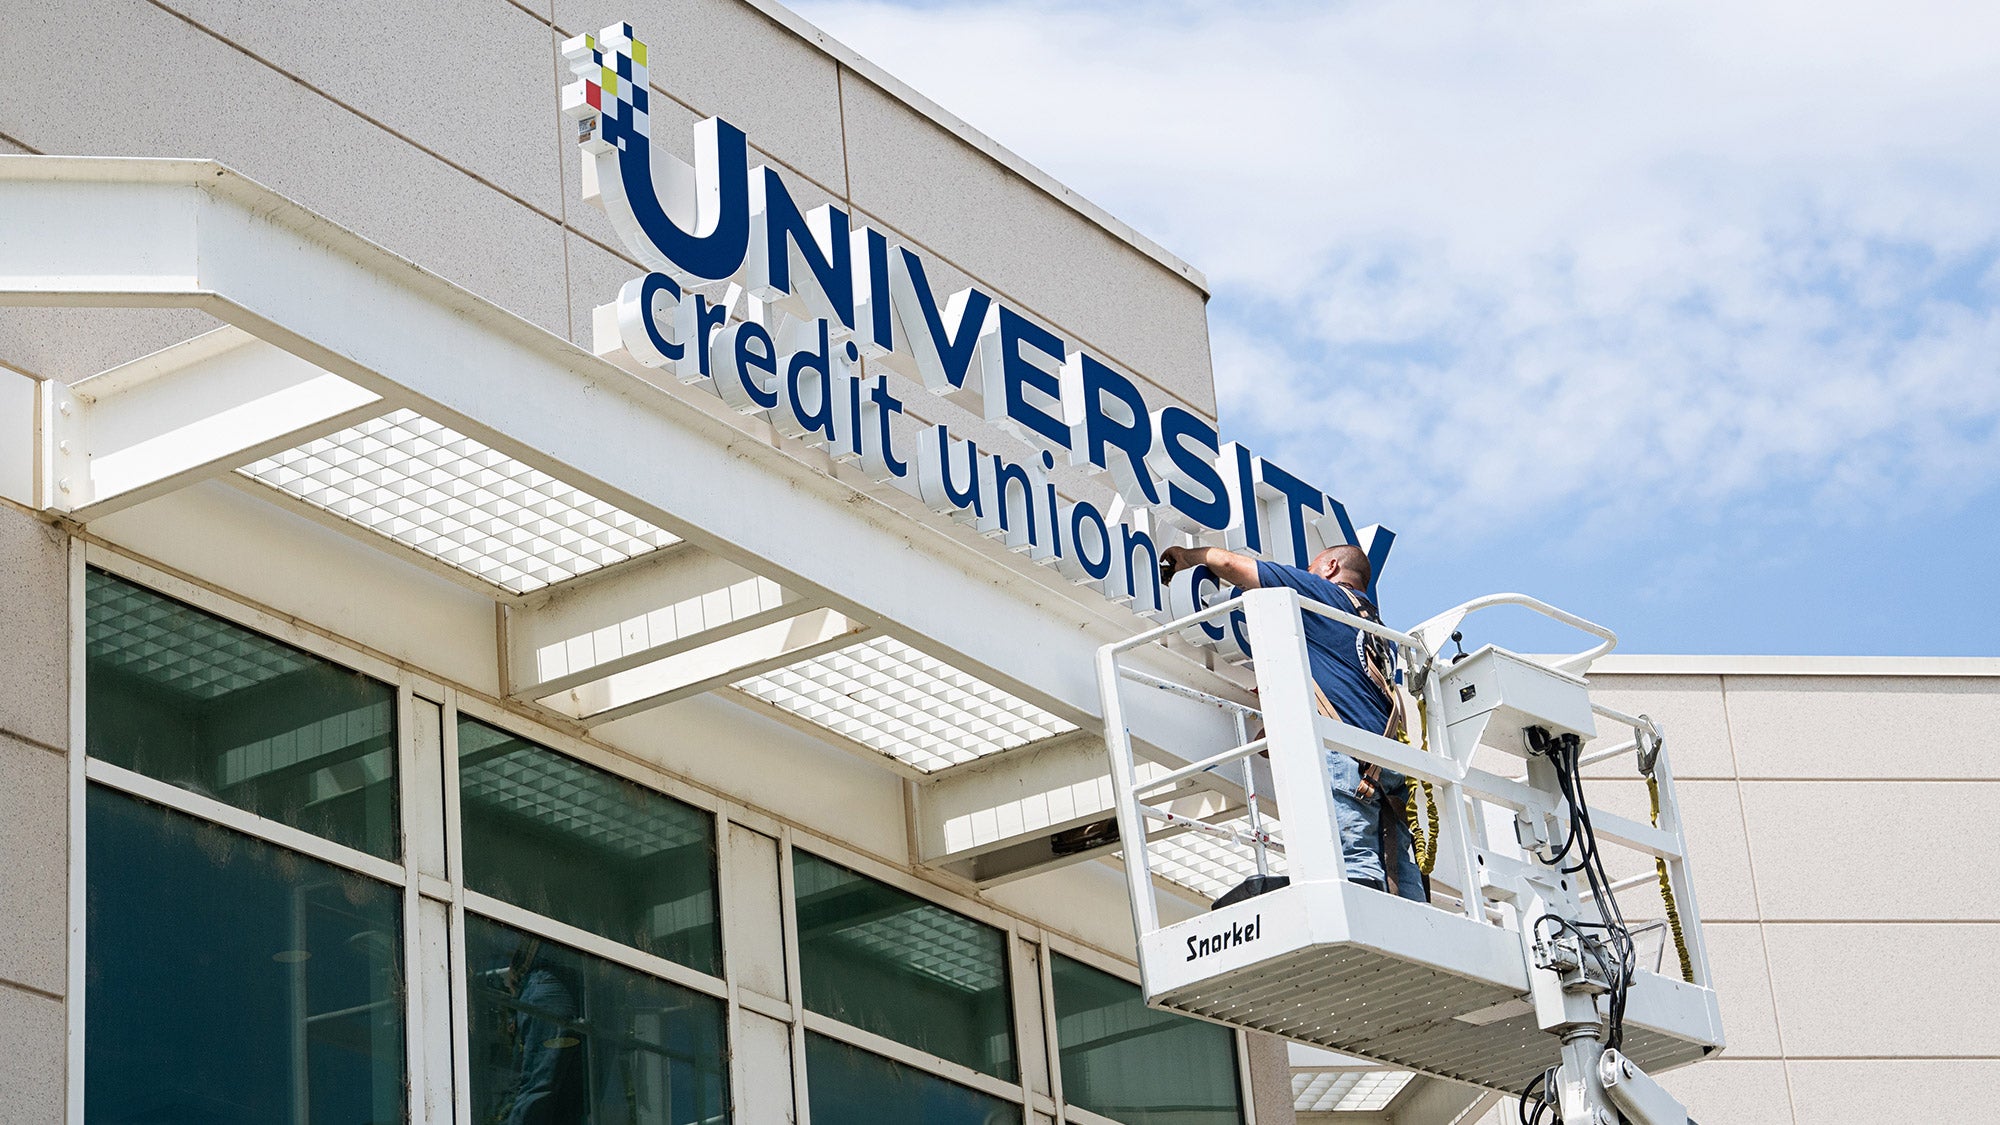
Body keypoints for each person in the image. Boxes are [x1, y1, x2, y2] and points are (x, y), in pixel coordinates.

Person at [1160, 542, 1425, 902]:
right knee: (1400, 872)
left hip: (1347, 758)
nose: (1307, 571)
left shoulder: (1322, 594)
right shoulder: (1379, 634)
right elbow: (1342, 689)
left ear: (1331, 567)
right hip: (1388, 769)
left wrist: (1185, 559)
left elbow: (1227, 562)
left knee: (1357, 872)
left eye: (1312, 565)